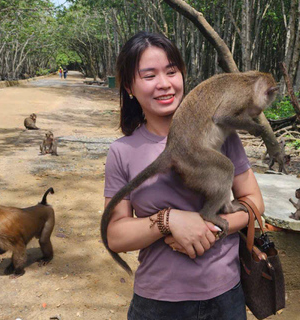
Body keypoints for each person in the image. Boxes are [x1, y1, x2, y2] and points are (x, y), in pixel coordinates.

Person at [104, 31, 264, 320]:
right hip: (158, 302)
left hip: (225, 295)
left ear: (183, 76)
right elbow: (114, 236)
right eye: (149, 75)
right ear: (130, 86)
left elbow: (254, 202)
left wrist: (212, 228)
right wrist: (168, 221)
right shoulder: (123, 151)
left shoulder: (222, 133)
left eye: (171, 72)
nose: (164, 84)